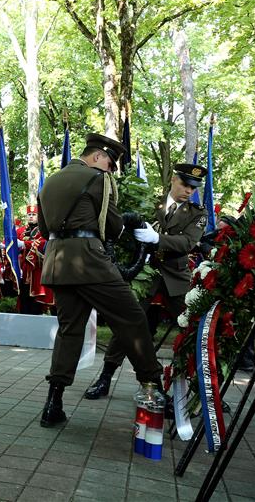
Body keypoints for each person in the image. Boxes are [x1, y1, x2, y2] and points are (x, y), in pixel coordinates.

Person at [37, 133, 163, 427]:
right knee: (132, 318)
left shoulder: (51, 181)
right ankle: (154, 386)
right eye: (110, 163)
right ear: (98, 156)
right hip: (90, 262)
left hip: (57, 262)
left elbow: (43, 229)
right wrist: (128, 221)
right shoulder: (97, 178)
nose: (110, 170)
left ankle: (52, 403)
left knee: (69, 331)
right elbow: (111, 227)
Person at [85, 163, 208, 400]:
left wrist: (156, 238)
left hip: (175, 275)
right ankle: (105, 378)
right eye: (184, 184)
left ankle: (202, 387)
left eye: (193, 188)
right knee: (127, 324)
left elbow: (187, 243)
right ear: (173, 180)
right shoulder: (151, 204)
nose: (188, 191)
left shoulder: (198, 213)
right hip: (144, 273)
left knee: (191, 327)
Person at [17, 204, 54, 314]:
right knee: (23, 297)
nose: (31, 217)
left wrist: (24, 244)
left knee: (36, 299)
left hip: (37, 268)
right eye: (29, 214)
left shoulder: (43, 229)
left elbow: (42, 242)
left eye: (34, 214)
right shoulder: (22, 231)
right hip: (23, 269)